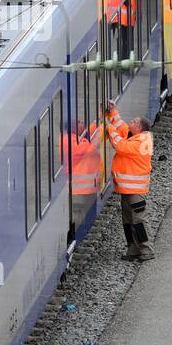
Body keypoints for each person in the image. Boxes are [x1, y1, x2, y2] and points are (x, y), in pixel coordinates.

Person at [103, 101, 155, 261]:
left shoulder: (139, 143)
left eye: (133, 121)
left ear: (139, 128)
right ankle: (133, 249)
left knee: (138, 220)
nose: (129, 122)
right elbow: (123, 128)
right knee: (128, 221)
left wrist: (107, 126)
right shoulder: (138, 137)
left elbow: (119, 145)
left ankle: (146, 250)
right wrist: (112, 113)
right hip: (126, 189)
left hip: (134, 190)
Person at [68, 120, 102, 235]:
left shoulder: (79, 139)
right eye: (79, 122)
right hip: (80, 189)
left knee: (85, 215)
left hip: (88, 187)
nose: (83, 123)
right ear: (73, 126)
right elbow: (89, 148)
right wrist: (102, 129)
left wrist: (102, 116)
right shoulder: (70, 142)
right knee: (78, 216)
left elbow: (91, 129)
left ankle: (83, 234)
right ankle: (78, 236)